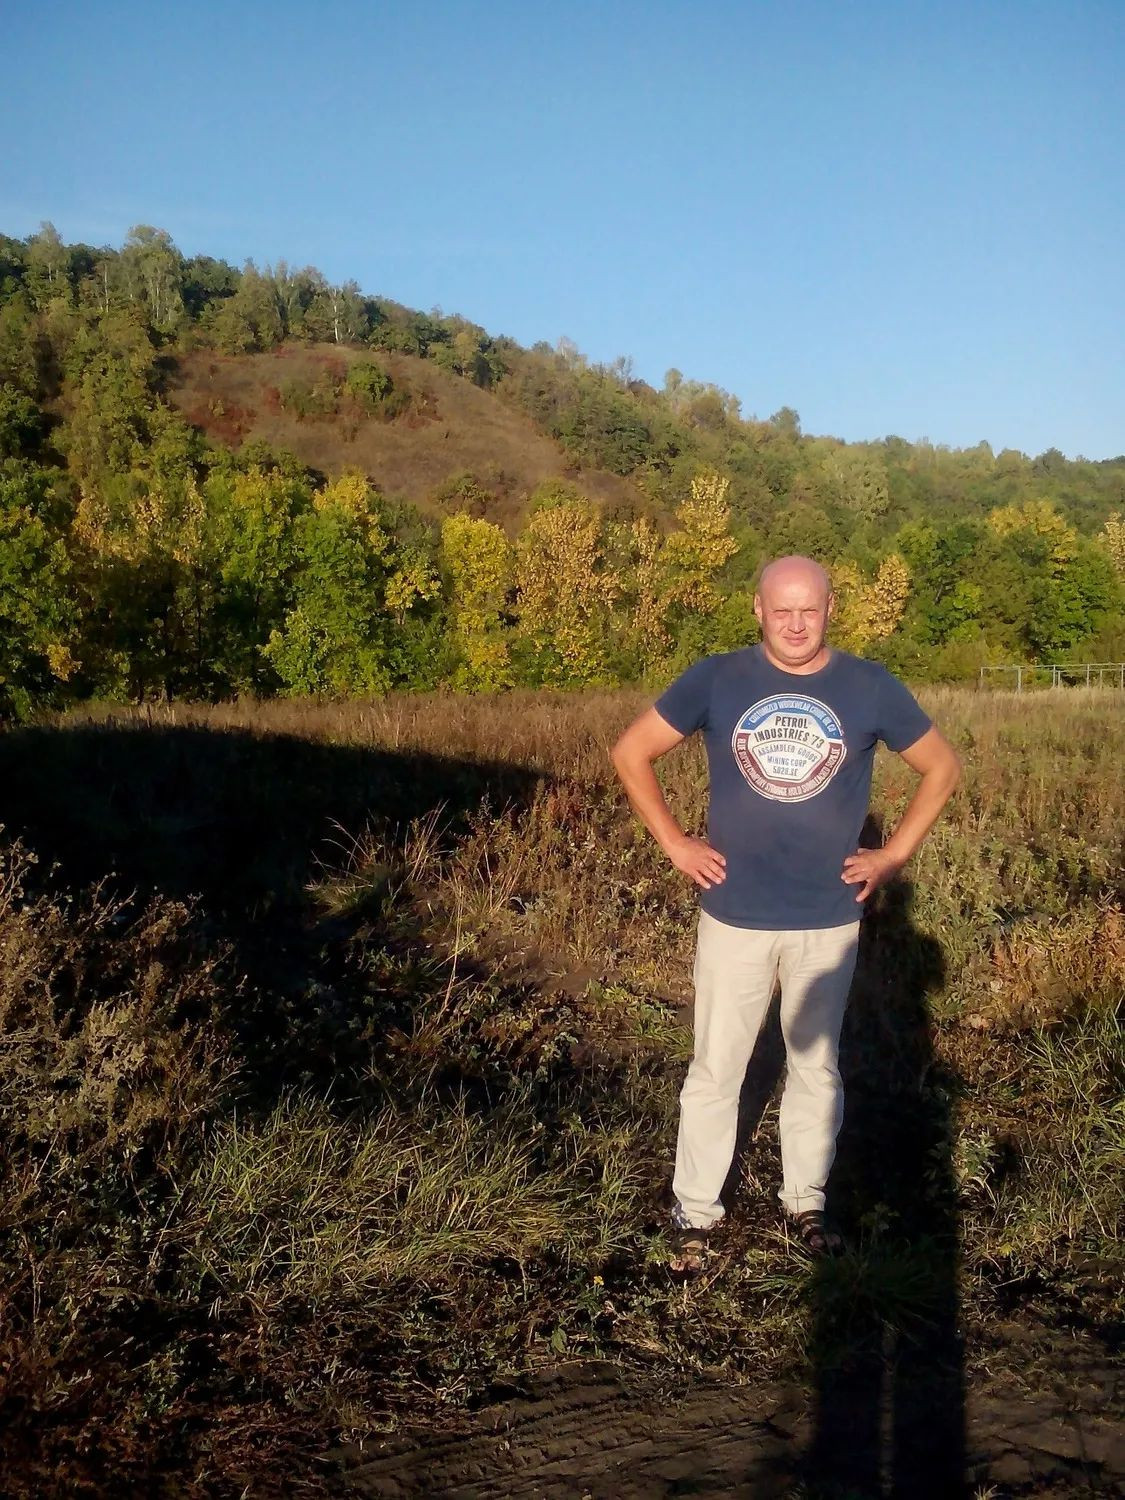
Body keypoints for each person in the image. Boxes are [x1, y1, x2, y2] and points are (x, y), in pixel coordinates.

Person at [610, 555, 961, 1269]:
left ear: (830, 608)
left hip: (827, 918)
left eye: (808, 609)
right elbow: (630, 752)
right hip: (734, 913)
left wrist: (890, 856)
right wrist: (675, 842)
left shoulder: (868, 685)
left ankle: (806, 1202)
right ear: (757, 610)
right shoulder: (716, 678)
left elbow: (942, 767)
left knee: (815, 1067)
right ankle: (695, 1213)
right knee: (717, 1068)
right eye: (781, 611)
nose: (795, 624)